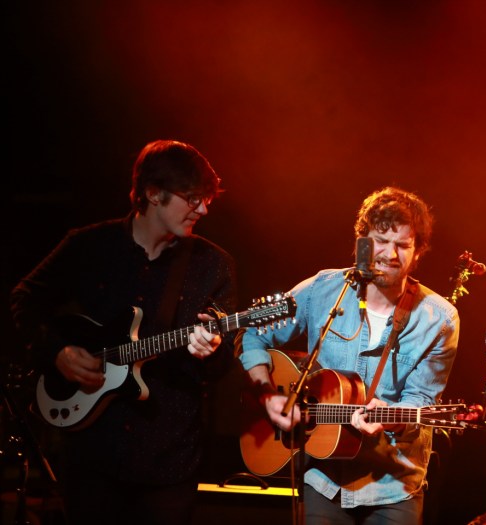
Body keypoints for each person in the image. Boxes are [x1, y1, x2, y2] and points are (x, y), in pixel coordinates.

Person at [10, 139, 238, 525]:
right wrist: (58, 351)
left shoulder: (214, 265)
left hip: (170, 459)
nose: (203, 209)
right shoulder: (89, 246)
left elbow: (222, 362)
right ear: (153, 193)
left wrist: (212, 349)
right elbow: (23, 299)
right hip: (92, 452)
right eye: (192, 198)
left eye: (207, 200)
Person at [236, 186, 460, 524]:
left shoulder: (440, 319)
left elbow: (421, 399)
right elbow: (252, 332)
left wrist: (392, 417)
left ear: (418, 252)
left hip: (394, 483)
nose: (390, 254)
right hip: (323, 479)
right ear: (362, 242)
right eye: (380, 241)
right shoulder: (323, 289)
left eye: (403, 245)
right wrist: (267, 395)